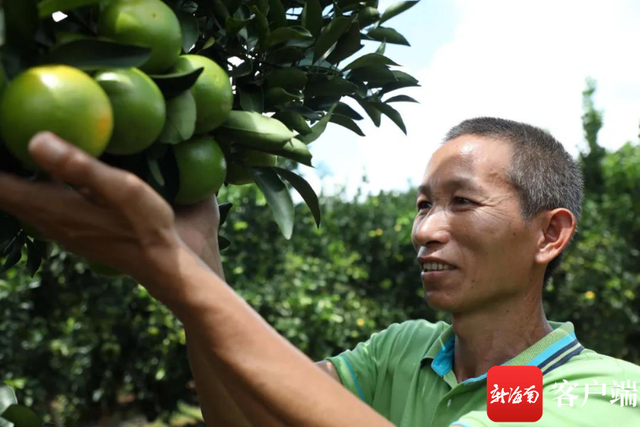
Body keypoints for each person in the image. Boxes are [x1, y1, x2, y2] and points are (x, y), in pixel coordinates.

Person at [0, 117, 638, 427]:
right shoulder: (403, 353)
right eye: (422, 206)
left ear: (549, 234)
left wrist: (166, 266)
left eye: (461, 202)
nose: (424, 231)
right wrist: (200, 258)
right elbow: (250, 417)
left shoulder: (603, 394)